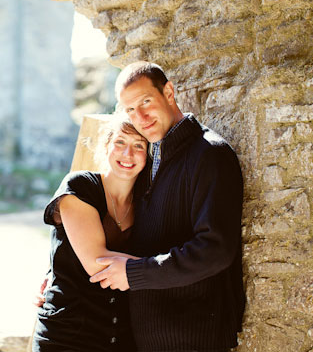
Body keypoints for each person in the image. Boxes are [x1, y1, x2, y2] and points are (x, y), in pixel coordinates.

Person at [89, 61, 245, 351]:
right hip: (145, 335)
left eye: (146, 102)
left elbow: (215, 250)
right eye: (131, 110)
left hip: (192, 338)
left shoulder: (210, 154)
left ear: (169, 92)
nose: (141, 116)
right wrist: (58, 274)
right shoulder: (146, 157)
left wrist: (134, 273)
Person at [32, 117, 148, 352]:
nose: (128, 153)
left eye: (139, 145)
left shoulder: (148, 206)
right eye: (120, 142)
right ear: (106, 146)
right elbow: (98, 266)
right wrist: (169, 269)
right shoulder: (79, 187)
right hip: (66, 337)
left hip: (119, 339)